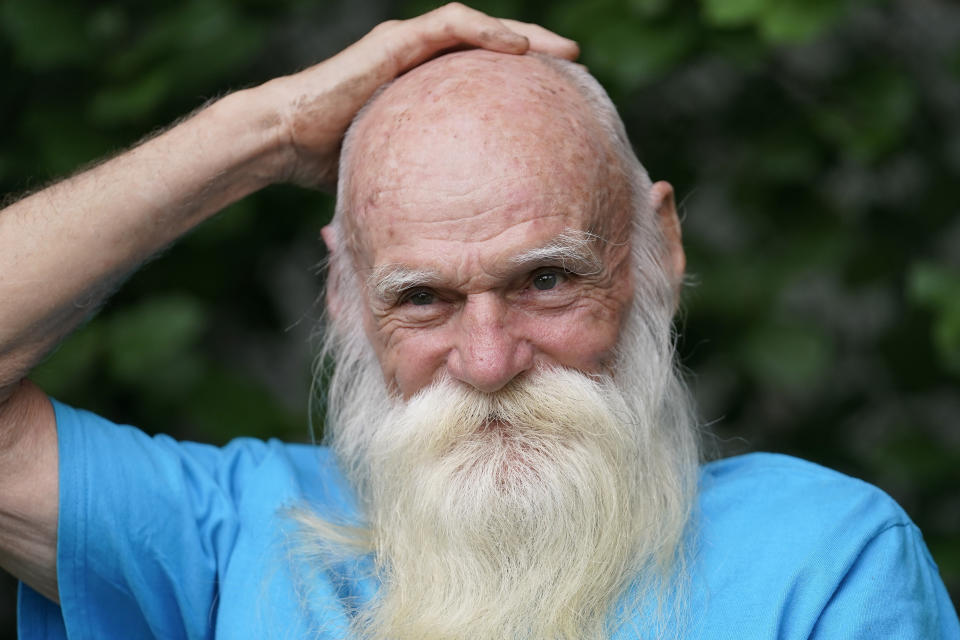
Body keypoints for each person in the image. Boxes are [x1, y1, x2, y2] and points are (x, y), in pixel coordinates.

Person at [0, 4, 957, 639]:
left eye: (546, 280)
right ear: (344, 292)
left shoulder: (825, 559)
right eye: (423, 298)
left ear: (659, 245)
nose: (490, 359)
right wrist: (269, 134)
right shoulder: (234, 535)